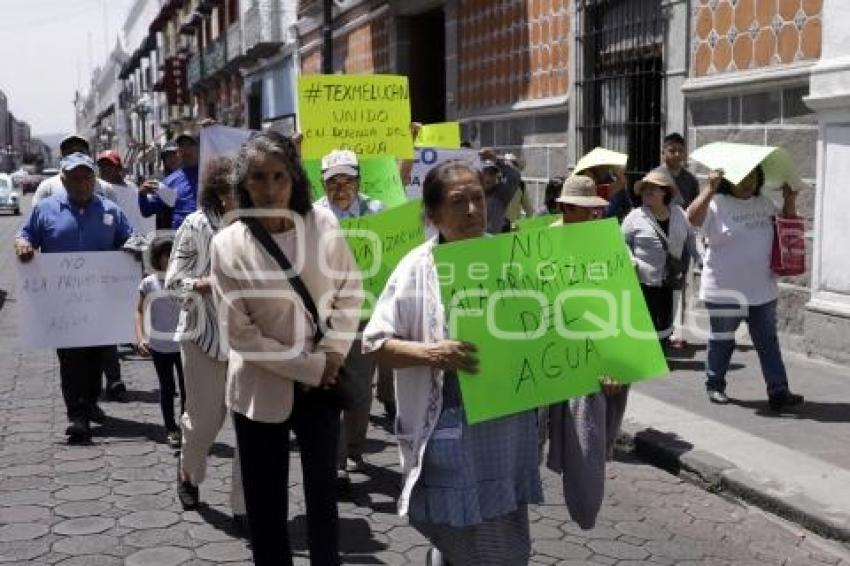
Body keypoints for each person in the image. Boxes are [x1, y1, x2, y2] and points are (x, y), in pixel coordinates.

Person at [363, 160, 543, 566]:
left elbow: (553, 333)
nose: (472, 212)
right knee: (464, 534)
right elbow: (374, 342)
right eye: (458, 202)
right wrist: (431, 354)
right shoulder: (416, 268)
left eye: (478, 199)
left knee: (503, 526)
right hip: (451, 426)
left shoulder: (511, 258)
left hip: (506, 429)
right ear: (432, 215)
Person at [211, 132, 362, 565]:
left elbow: (350, 291)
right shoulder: (227, 244)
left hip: (323, 385)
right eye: (259, 177)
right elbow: (239, 334)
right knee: (266, 507)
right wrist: (311, 367)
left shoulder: (323, 223)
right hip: (260, 390)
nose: (271, 187)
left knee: (323, 500)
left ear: (295, 178)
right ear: (244, 183)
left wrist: (333, 352)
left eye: (280, 176)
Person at [14, 153, 133, 443]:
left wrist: (134, 248)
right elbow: (24, 236)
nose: (81, 183)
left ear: (94, 179)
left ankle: (90, 401)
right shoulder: (45, 210)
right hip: (62, 304)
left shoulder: (111, 210)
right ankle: (76, 416)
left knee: (96, 357)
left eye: (86, 177)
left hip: (100, 301)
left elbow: (129, 238)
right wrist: (23, 245)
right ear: (64, 180)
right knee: (70, 359)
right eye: (75, 178)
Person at [164, 156, 245, 523]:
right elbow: (172, 282)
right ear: (218, 190)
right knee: (204, 421)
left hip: (251, 341)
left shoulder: (258, 225)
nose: (239, 195)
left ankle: (245, 505)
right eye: (232, 189)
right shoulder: (195, 225)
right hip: (203, 336)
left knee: (249, 427)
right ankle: (189, 473)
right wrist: (202, 284)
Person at [546, 174, 629, 529]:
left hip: (589, 359)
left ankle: (584, 509)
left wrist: (618, 366)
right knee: (523, 446)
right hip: (541, 358)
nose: (591, 216)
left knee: (587, 439)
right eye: (581, 210)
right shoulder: (538, 243)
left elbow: (625, 307)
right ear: (564, 208)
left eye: (594, 210)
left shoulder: (610, 245)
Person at [687, 165, 804, 411]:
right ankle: (715, 384)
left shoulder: (764, 203)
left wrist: (789, 200)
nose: (748, 182)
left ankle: (778, 390)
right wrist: (709, 189)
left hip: (761, 287)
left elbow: (786, 229)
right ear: (729, 179)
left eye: (753, 176)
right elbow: (693, 218)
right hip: (725, 288)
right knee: (722, 339)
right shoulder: (717, 202)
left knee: (767, 340)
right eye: (742, 177)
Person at [314, 148, 384, 487]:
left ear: (359, 181)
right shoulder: (312, 215)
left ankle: (354, 449)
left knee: (360, 386)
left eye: (348, 180)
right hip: (325, 314)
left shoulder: (378, 213)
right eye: (333, 182)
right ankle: (334, 460)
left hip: (364, 313)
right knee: (328, 383)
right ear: (323, 184)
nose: (341, 189)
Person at [621, 167, 697, 342]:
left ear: (664, 192)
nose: (646, 192)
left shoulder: (679, 214)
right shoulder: (635, 216)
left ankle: (662, 351)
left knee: (665, 320)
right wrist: (631, 259)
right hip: (643, 279)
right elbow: (621, 242)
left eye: (652, 188)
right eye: (644, 188)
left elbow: (691, 239)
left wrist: (701, 259)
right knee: (645, 320)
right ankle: (648, 358)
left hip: (671, 278)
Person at [135, 238, 185, 449]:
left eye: (174, 254)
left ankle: (186, 427)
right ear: (158, 258)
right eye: (166, 255)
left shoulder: (186, 280)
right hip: (160, 346)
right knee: (167, 388)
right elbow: (138, 311)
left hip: (185, 345)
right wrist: (141, 338)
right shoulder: (148, 283)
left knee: (188, 389)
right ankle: (171, 428)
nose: (170, 259)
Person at [661, 132, 701, 349]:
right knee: (659, 285)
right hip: (659, 237)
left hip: (682, 237)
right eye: (672, 150)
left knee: (679, 283)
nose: (676, 154)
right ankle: (661, 330)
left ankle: (676, 331)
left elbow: (695, 210)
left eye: (680, 150)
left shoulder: (691, 180)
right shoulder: (656, 176)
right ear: (663, 151)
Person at [32, 135, 116, 205]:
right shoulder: (47, 187)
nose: (75, 156)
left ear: (89, 155)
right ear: (61, 158)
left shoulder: (105, 189)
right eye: (70, 152)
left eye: (80, 151)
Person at [139, 132, 199, 230]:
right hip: (182, 239)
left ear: (200, 147)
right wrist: (142, 194)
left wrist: (213, 130)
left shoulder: (212, 175)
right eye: (181, 145)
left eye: (190, 145)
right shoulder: (169, 182)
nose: (186, 149)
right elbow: (147, 210)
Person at [96, 150, 155, 236]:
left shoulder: (132, 186)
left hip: (136, 238)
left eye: (109, 165)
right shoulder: (98, 188)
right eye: (101, 166)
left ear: (119, 168)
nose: (104, 169)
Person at [480, 147, 522, 234]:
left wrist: (496, 159)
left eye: (492, 173)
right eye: (485, 172)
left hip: (494, 243)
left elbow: (515, 177)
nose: (488, 177)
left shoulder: (500, 194)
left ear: (496, 176)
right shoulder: (472, 194)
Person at [503, 152, 534, 227]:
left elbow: (529, 210)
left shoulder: (521, 185)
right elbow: (529, 211)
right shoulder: (496, 183)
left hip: (511, 228)